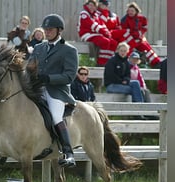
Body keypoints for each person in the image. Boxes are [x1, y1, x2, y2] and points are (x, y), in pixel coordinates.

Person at [29, 14, 78, 168]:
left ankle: (68, 153)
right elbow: (29, 68)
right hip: (36, 89)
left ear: (59, 30)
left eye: (50, 29)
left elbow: (69, 76)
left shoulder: (69, 50)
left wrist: (49, 78)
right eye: (46, 29)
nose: (47, 32)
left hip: (56, 91)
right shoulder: (38, 47)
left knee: (56, 116)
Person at [77, 0, 118, 66]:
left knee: (114, 43)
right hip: (86, 34)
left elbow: (102, 24)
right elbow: (91, 25)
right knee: (105, 41)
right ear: (86, 5)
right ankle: (101, 63)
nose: (91, 7)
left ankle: (108, 61)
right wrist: (104, 32)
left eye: (93, 6)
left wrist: (107, 32)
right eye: (90, 5)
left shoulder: (95, 15)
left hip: (96, 34)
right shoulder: (84, 14)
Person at [121, 2, 161, 68]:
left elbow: (144, 27)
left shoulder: (141, 18)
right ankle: (125, 65)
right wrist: (133, 38)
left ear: (136, 11)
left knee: (148, 49)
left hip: (139, 39)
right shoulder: (124, 20)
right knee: (127, 51)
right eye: (129, 11)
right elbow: (125, 31)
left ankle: (156, 63)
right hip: (130, 40)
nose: (130, 12)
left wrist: (140, 34)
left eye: (132, 11)